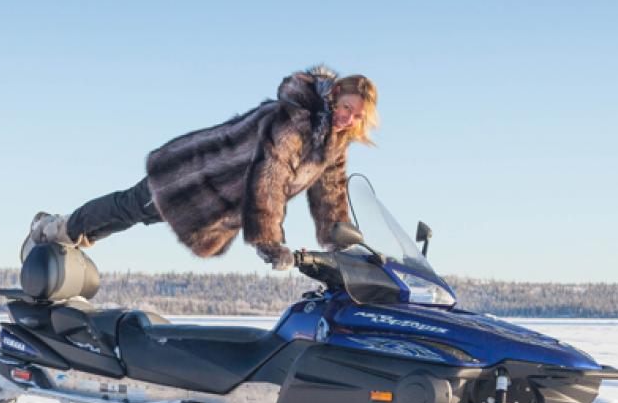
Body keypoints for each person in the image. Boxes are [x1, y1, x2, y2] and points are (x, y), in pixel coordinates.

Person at [30, 65, 378, 270]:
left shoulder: (332, 143)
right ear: (334, 94)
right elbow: (268, 180)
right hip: (193, 177)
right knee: (131, 207)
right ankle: (53, 230)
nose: (347, 118)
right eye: (346, 107)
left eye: (357, 116)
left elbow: (331, 195)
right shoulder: (295, 120)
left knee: (135, 215)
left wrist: (341, 245)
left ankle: (74, 237)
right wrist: (270, 243)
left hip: (215, 203)